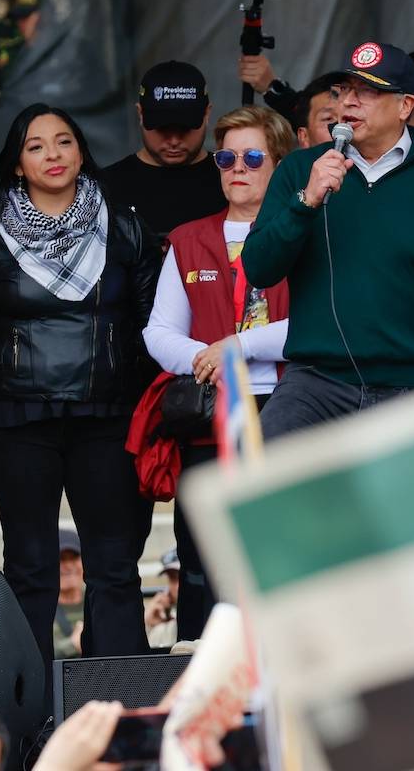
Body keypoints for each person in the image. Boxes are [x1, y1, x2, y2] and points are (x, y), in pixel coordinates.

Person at [0, 103, 159, 698]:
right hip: (19, 418)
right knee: (30, 570)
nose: (53, 155)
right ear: (17, 164)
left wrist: (121, 379)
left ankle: (124, 706)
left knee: (114, 568)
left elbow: (150, 320)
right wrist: (6, 374)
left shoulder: (122, 225)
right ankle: (31, 712)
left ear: (80, 152)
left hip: (106, 415)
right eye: (37, 146)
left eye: (64, 142)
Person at [242, 41, 414, 439]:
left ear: (405, 106)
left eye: (368, 91)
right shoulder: (301, 170)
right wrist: (305, 203)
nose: (349, 103)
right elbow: (258, 268)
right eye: (343, 90)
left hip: (410, 388)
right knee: (258, 470)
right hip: (316, 384)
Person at [144, 105, 293, 637]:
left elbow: (311, 329)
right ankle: (200, 672)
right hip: (208, 417)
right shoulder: (188, 238)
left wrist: (233, 346)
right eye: (227, 157)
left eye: (253, 157)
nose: (238, 167)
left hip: (285, 411)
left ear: (279, 162)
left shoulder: (303, 231)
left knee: (279, 553)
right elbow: (158, 332)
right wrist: (207, 359)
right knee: (202, 558)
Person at [102, 61, 227, 245]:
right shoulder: (106, 187)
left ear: (207, 114)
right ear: (140, 114)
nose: (174, 140)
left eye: (185, 128)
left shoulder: (231, 179)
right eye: (162, 129)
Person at [53, 528, 84, 659]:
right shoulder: (42, 609)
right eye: (61, 559)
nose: (68, 566)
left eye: (74, 558)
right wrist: (73, 644)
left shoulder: (97, 602)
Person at [146, 547, 180, 648]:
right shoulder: (163, 627)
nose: (178, 586)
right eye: (173, 578)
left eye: (183, 576)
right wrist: (148, 626)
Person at [293, 74, 338, 149]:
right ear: (304, 136)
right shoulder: (290, 160)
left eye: (348, 119)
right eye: (328, 118)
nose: (343, 127)